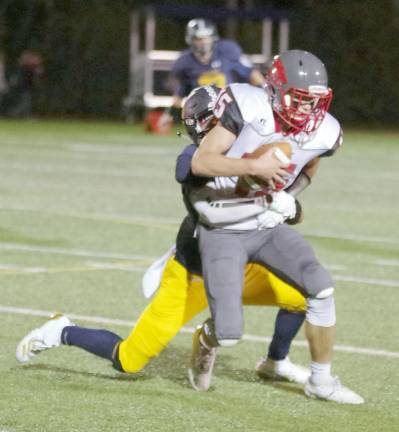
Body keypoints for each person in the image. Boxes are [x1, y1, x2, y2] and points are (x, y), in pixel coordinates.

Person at [15, 86, 309, 388]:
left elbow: (293, 208)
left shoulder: (251, 150)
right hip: (193, 276)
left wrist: (286, 201)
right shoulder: (197, 158)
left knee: (302, 297)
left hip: (242, 268)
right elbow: (189, 168)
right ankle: (62, 330)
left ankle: (273, 361)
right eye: (223, 118)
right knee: (128, 361)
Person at [187, 50, 364, 404]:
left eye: (313, 103)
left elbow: (309, 163)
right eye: (298, 100)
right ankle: (206, 340)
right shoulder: (247, 106)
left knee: (321, 289)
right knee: (229, 332)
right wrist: (253, 170)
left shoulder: (323, 130)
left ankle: (321, 381)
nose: (306, 111)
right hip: (223, 224)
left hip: (265, 222)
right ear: (274, 89)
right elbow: (202, 161)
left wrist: (289, 198)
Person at [171, 18, 264, 108]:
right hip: (203, 111)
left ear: (213, 37)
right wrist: (190, 107)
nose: (204, 42)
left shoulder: (227, 51)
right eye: (199, 38)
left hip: (232, 107)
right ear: (191, 39)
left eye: (207, 37)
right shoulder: (185, 62)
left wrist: (264, 90)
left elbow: (251, 73)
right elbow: (178, 98)